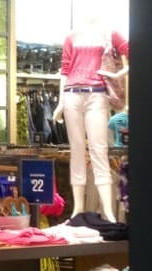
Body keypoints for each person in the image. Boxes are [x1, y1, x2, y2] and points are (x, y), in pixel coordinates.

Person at [52, 17, 129, 222]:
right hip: (71, 94)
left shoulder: (110, 32)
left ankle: (108, 211)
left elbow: (133, 52)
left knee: (99, 150)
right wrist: (60, 102)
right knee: (77, 151)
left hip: (97, 94)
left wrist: (119, 74)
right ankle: (77, 208)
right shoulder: (72, 35)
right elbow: (65, 69)